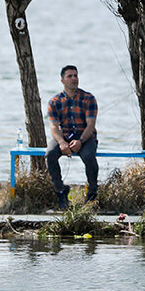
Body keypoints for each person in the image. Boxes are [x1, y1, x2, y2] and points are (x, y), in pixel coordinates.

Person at [46, 65, 99, 209]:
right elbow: (53, 127)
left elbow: (91, 124)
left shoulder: (88, 98)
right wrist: (62, 142)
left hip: (85, 136)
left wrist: (81, 141)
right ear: (62, 80)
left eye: (76, 75)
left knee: (89, 156)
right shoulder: (54, 101)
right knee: (50, 154)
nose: (74, 79)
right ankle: (61, 191)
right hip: (64, 136)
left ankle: (92, 193)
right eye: (70, 76)